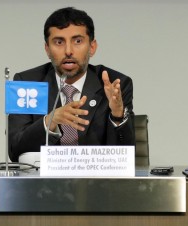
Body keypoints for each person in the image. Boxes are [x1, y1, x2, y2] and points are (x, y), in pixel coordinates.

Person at [8, 7, 135, 162]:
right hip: (43, 184)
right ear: (47, 49)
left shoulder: (115, 84)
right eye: (59, 42)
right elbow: (14, 150)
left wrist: (118, 115)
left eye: (78, 41)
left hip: (96, 182)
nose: (68, 51)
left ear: (92, 47)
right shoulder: (27, 83)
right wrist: (49, 121)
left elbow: (127, 157)